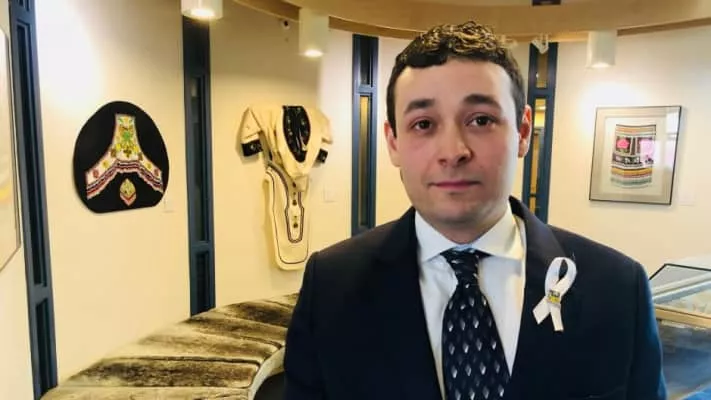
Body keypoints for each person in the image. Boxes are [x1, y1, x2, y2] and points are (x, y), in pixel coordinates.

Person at [282, 20, 667, 400]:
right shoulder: (332, 288)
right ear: (393, 142)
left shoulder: (616, 288)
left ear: (522, 132)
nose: (453, 152)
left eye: (481, 120)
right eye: (423, 124)